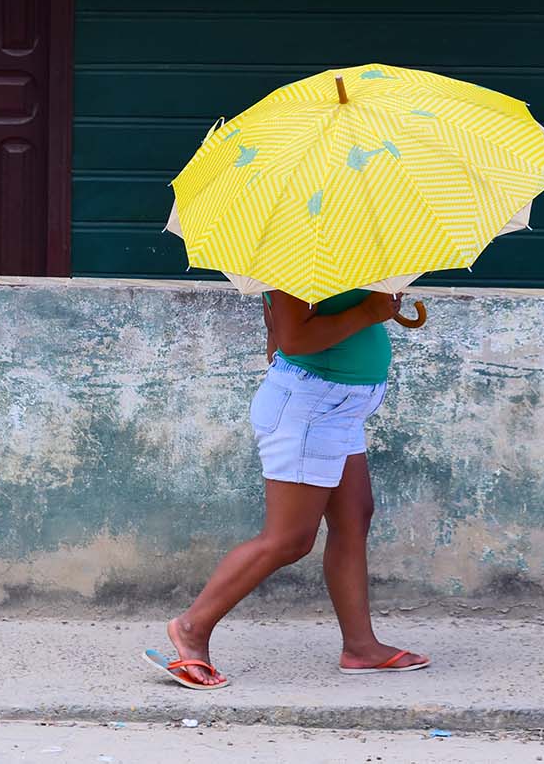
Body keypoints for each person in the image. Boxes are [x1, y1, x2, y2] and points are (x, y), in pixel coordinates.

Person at [145, 289, 429, 689]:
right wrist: (369, 312)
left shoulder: (339, 260)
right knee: (289, 539)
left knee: (354, 516)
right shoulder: (299, 262)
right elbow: (293, 339)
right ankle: (192, 627)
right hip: (312, 408)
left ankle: (360, 647)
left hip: (341, 405)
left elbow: (277, 330)